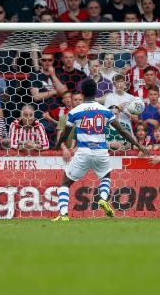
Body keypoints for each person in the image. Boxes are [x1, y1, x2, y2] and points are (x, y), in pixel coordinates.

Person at [53, 79, 149, 221]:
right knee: (105, 177)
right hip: (101, 152)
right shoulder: (105, 110)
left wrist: (58, 144)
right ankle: (103, 198)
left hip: (83, 152)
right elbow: (122, 130)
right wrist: (139, 145)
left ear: (83, 93)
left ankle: (63, 215)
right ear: (96, 92)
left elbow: (66, 133)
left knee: (65, 183)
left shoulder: (75, 111)